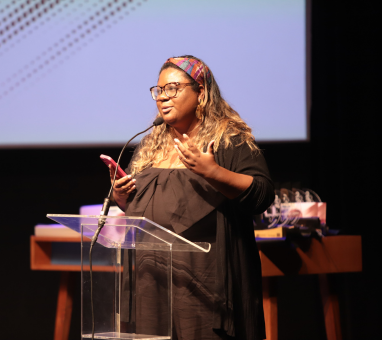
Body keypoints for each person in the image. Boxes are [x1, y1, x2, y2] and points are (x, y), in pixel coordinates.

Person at [108, 56, 274, 340]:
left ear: (201, 92)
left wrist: (213, 172)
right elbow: (146, 211)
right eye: (158, 91)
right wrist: (121, 197)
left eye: (172, 88)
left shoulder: (227, 141)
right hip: (152, 281)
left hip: (206, 287)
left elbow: (262, 195)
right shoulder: (150, 144)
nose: (162, 97)